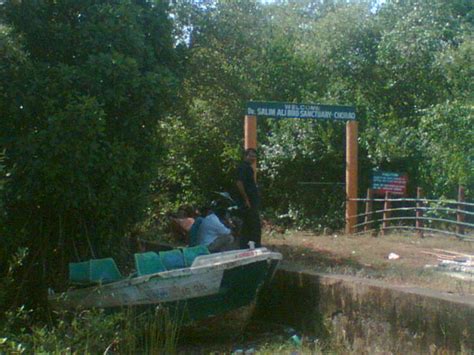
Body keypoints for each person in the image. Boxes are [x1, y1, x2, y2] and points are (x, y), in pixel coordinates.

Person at [236, 148, 261, 248]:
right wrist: (246, 199)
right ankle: (253, 246)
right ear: (245, 156)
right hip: (247, 202)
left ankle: (248, 246)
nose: (252, 158)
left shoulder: (249, 168)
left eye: (254, 156)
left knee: (248, 226)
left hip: (252, 201)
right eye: (250, 156)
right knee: (253, 225)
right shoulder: (243, 167)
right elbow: (239, 183)